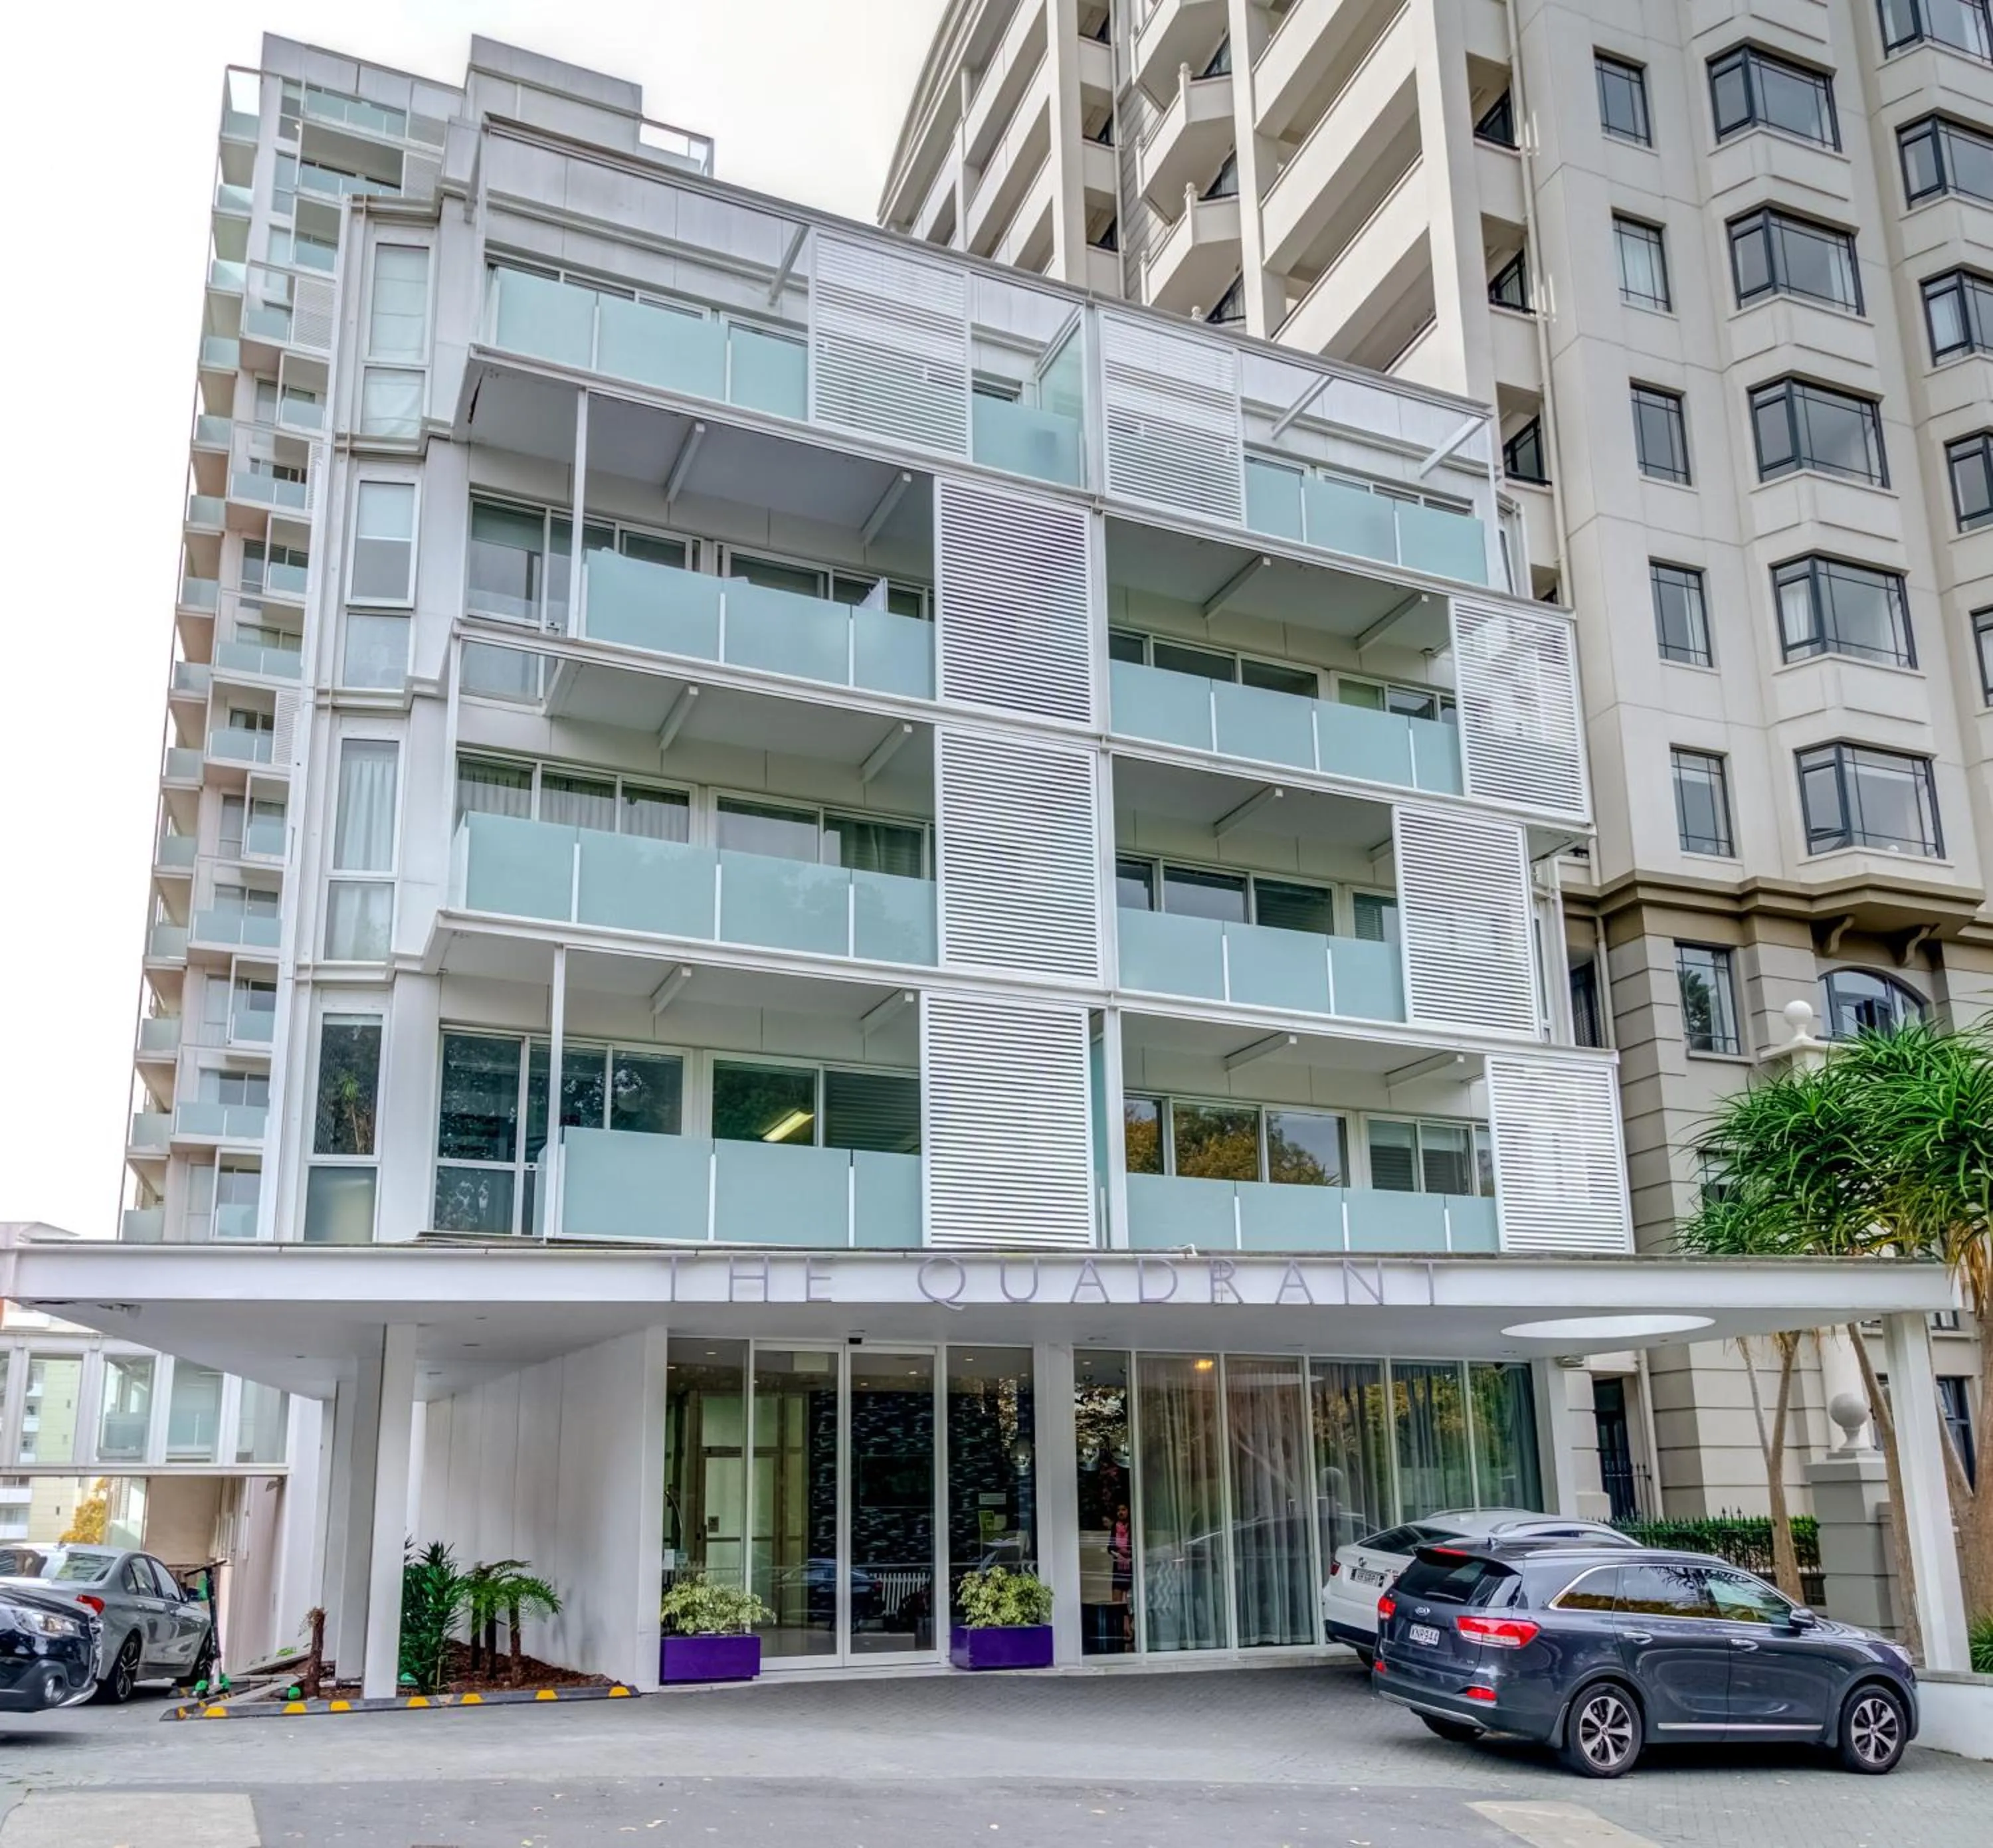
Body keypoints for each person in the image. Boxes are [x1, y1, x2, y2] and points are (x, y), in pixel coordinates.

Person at [1110, 1503, 1133, 1647]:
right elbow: (1109, 1547)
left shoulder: (1133, 1526)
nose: (1121, 1513)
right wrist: (1118, 1551)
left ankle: (1128, 1627)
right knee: (1117, 1600)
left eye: (1124, 1510)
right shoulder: (1115, 1527)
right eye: (1118, 1510)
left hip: (1130, 1566)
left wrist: (1128, 1553)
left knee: (1130, 1600)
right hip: (1118, 1566)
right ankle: (1121, 1629)